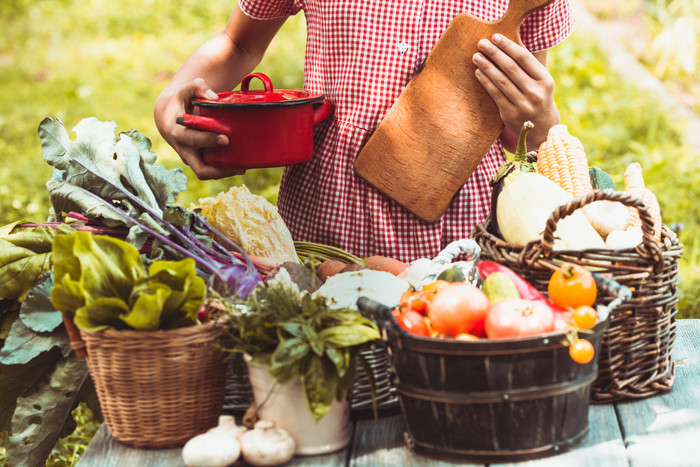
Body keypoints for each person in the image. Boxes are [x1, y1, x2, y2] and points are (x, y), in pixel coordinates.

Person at [154, 1, 575, 263]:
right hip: (323, 233)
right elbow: (238, 44)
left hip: (458, 244)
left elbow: (516, 117)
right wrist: (172, 94)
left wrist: (539, 117)